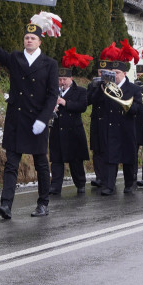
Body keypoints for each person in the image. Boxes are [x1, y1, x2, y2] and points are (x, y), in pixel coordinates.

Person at [0, 8, 59, 219]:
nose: (29, 40)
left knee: (41, 164)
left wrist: (44, 118)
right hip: (17, 119)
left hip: (37, 120)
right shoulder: (14, 58)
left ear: (40, 41)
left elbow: (52, 95)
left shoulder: (50, 64)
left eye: (33, 38)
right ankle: (6, 204)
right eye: (26, 37)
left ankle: (43, 203)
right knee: (11, 164)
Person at [88, 57, 143, 195]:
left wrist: (125, 104)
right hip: (111, 127)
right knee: (110, 157)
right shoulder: (105, 87)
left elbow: (138, 108)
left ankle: (130, 184)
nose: (115, 75)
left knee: (128, 158)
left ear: (124, 74)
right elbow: (93, 102)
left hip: (126, 127)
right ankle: (109, 185)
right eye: (112, 72)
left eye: (117, 72)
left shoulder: (134, 88)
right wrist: (100, 89)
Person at [49, 61, 90, 196]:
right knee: (56, 161)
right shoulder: (53, 91)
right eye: (59, 79)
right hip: (57, 130)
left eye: (64, 79)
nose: (62, 82)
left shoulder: (80, 91)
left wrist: (65, 102)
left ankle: (80, 184)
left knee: (76, 160)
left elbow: (82, 106)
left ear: (71, 79)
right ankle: (55, 186)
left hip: (73, 131)